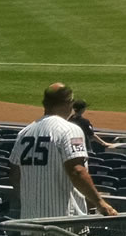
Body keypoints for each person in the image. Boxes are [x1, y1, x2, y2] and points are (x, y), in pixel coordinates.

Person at [9, 83, 116, 220]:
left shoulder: (25, 132)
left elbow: (15, 175)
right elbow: (77, 171)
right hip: (64, 221)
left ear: (45, 103)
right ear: (69, 103)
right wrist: (100, 203)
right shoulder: (69, 130)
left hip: (31, 220)